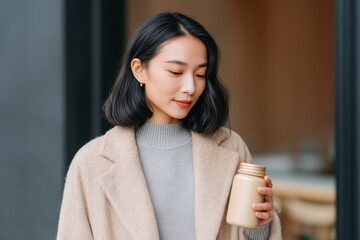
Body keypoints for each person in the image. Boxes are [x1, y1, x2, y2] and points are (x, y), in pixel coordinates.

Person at [57, 12, 282, 240]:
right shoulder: (92, 162)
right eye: (176, 72)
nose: (190, 87)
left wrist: (260, 225)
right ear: (139, 70)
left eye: (200, 74)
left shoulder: (231, 148)